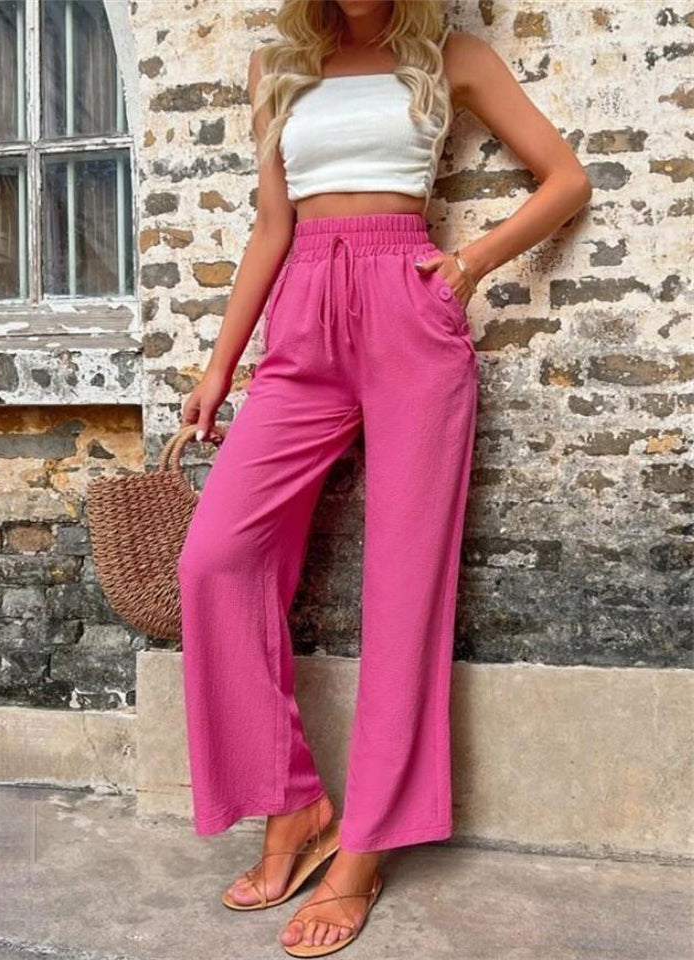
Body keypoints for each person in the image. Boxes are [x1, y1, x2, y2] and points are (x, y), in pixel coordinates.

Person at [177, 1, 592, 955]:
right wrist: (219, 365)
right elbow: (272, 224)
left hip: (409, 309)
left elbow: (566, 178)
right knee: (215, 560)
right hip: (303, 313)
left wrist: (470, 264)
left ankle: (364, 848)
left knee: (405, 590)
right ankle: (292, 803)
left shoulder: (453, 56)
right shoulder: (276, 64)